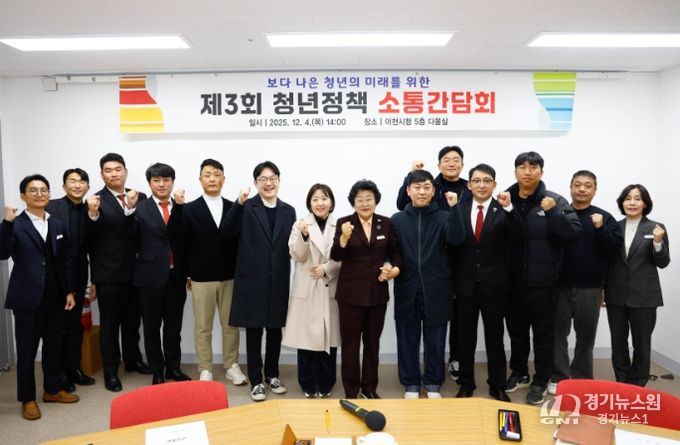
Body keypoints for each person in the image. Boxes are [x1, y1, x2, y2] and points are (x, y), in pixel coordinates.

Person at [504, 151, 582, 405]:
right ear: (515, 171)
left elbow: (572, 235)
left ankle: (541, 380)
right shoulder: (505, 199)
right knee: (517, 333)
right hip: (513, 282)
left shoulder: (554, 200)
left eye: (533, 167)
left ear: (541, 172)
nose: (528, 171)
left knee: (543, 336)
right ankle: (520, 372)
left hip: (544, 283)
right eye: (522, 167)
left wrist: (553, 213)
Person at [1, 174, 80, 421]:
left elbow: (66, 261)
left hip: (56, 296)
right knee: (27, 351)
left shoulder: (56, 224)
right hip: (27, 297)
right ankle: (27, 399)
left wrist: (69, 291)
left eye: (44, 190)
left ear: (49, 194)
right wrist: (6, 223)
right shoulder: (16, 223)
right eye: (33, 190)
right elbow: (2, 253)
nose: (39, 194)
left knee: (54, 346)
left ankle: (52, 390)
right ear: (23, 196)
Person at [395, 145, 471, 379]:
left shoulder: (444, 217)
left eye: (426, 187)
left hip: (437, 287)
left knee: (436, 339)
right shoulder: (397, 220)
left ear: (433, 190)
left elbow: (457, 239)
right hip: (407, 287)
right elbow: (391, 252)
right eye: (416, 187)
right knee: (407, 339)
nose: (421, 192)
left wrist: (454, 208)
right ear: (408, 191)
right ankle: (410, 381)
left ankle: (434, 380)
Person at [224, 161, 296, 402]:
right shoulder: (246, 207)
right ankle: (256, 380)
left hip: (278, 280)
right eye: (263, 179)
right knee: (254, 333)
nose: (268, 183)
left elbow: (291, 245)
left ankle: (272, 375)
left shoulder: (288, 210)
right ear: (255, 183)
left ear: (279, 180)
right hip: (251, 280)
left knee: (275, 331)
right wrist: (238, 203)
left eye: (272, 178)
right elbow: (227, 232)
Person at [549, 171, 623, 394]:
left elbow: (612, 250)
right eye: (578, 185)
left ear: (595, 190)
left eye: (587, 185)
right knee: (557, 334)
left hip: (591, 287)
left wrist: (600, 229)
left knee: (586, 336)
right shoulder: (559, 214)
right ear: (570, 187)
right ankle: (559, 376)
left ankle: (582, 378)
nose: (582, 189)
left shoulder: (604, 217)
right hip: (559, 285)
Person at [330, 179, 401, 399]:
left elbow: (395, 253)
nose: (364, 203)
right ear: (353, 202)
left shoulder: (386, 223)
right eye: (359, 199)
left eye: (368, 199)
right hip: (350, 296)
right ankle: (351, 391)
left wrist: (393, 268)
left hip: (377, 294)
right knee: (350, 346)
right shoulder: (344, 223)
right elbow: (335, 255)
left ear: (375, 201)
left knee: (372, 344)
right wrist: (343, 237)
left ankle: (369, 388)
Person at [180, 159, 246, 385]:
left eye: (217, 174)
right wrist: (187, 273)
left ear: (223, 179)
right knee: (203, 327)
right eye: (207, 175)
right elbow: (183, 243)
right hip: (201, 276)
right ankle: (205, 368)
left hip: (230, 275)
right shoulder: (189, 209)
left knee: (231, 325)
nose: (212, 179)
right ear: (200, 179)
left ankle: (231, 365)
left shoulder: (235, 207)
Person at [87, 152, 149, 392]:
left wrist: (133, 208)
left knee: (133, 322)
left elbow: (141, 232)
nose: (114, 174)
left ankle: (132, 361)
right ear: (102, 174)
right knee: (110, 327)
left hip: (137, 272)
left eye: (117, 169)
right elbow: (91, 239)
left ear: (125, 171)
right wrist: (93, 215)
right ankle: (111, 372)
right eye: (108, 170)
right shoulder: (96, 201)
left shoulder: (139, 197)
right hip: (109, 274)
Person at [452, 164, 514, 402]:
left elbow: (518, 237)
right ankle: (466, 384)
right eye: (476, 181)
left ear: (494, 184)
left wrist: (509, 209)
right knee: (465, 338)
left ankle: (497, 385)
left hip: (495, 285)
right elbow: (451, 248)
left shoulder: (503, 209)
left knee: (495, 338)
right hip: (465, 285)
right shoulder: (458, 208)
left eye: (487, 181)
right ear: (469, 185)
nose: (481, 185)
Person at [605, 184, 670, 387]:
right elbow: (606, 262)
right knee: (618, 343)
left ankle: (638, 384)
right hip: (616, 294)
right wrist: (602, 291)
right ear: (622, 202)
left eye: (637, 198)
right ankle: (622, 381)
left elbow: (663, 262)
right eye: (628, 198)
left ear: (645, 203)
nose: (632, 203)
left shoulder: (656, 228)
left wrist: (657, 243)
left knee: (641, 344)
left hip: (644, 295)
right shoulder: (613, 227)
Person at [132, 163, 191, 385]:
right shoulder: (139, 208)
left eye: (166, 180)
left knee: (173, 328)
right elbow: (129, 237)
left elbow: (186, 240)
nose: (162, 184)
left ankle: (173, 368)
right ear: (149, 183)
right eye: (156, 180)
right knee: (151, 328)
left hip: (176, 278)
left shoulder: (181, 207)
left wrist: (188, 273)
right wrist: (128, 211)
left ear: (172, 182)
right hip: (149, 278)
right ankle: (157, 371)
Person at [282, 184, 341, 398]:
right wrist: (304, 236)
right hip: (307, 288)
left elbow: (345, 255)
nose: (320, 203)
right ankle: (307, 383)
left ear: (331, 202)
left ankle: (326, 384)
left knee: (328, 340)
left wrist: (326, 269)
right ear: (309, 203)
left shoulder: (340, 224)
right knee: (305, 340)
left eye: (324, 198)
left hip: (328, 285)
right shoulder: (300, 224)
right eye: (315, 199)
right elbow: (297, 255)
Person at [47, 168, 96, 390]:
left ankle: (74, 370)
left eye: (82, 181)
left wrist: (94, 280)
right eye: (72, 181)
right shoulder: (51, 207)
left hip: (78, 276)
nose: (77, 185)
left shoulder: (91, 211)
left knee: (74, 326)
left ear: (88, 186)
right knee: (56, 328)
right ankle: (58, 375)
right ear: (64, 185)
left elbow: (95, 247)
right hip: (55, 278)